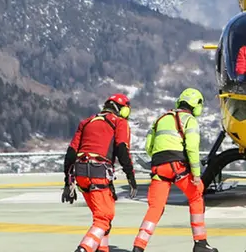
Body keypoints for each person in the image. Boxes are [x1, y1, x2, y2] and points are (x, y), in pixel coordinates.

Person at [132, 88, 218, 252]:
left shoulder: (160, 119)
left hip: (158, 167)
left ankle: (139, 245)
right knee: (196, 195)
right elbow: (192, 148)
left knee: (155, 207)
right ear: (196, 104)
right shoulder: (189, 120)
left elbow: (148, 148)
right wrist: (197, 175)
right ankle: (200, 243)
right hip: (177, 166)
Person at [62, 93, 137, 252]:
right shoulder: (119, 122)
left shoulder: (86, 122)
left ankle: (102, 249)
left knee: (102, 215)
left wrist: (68, 182)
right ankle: (84, 248)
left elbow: (71, 153)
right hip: (98, 172)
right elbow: (122, 149)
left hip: (80, 174)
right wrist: (131, 177)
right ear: (122, 109)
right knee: (104, 218)